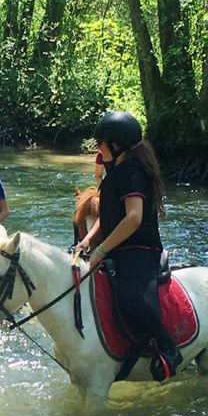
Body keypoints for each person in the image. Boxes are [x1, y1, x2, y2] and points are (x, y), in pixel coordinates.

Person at [75, 111, 181, 381]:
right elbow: (110, 218)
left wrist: (101, 251)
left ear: (117, 145)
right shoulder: (115, 173)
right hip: (116, 247)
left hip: (139, 250)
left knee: (131, 296)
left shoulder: (132, 174)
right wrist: (88, 241)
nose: (98, 150)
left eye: (101, 144)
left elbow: (133, 219)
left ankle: (167, 350)